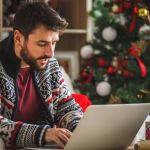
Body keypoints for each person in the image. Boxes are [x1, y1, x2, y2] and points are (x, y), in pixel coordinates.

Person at [0, 1, 83, 149]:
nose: (50, 53)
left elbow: (67, 108)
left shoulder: (51, 66)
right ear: (18, 38)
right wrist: (43, 134)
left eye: (54, 43)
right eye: (42, 44)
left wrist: (80, 131)